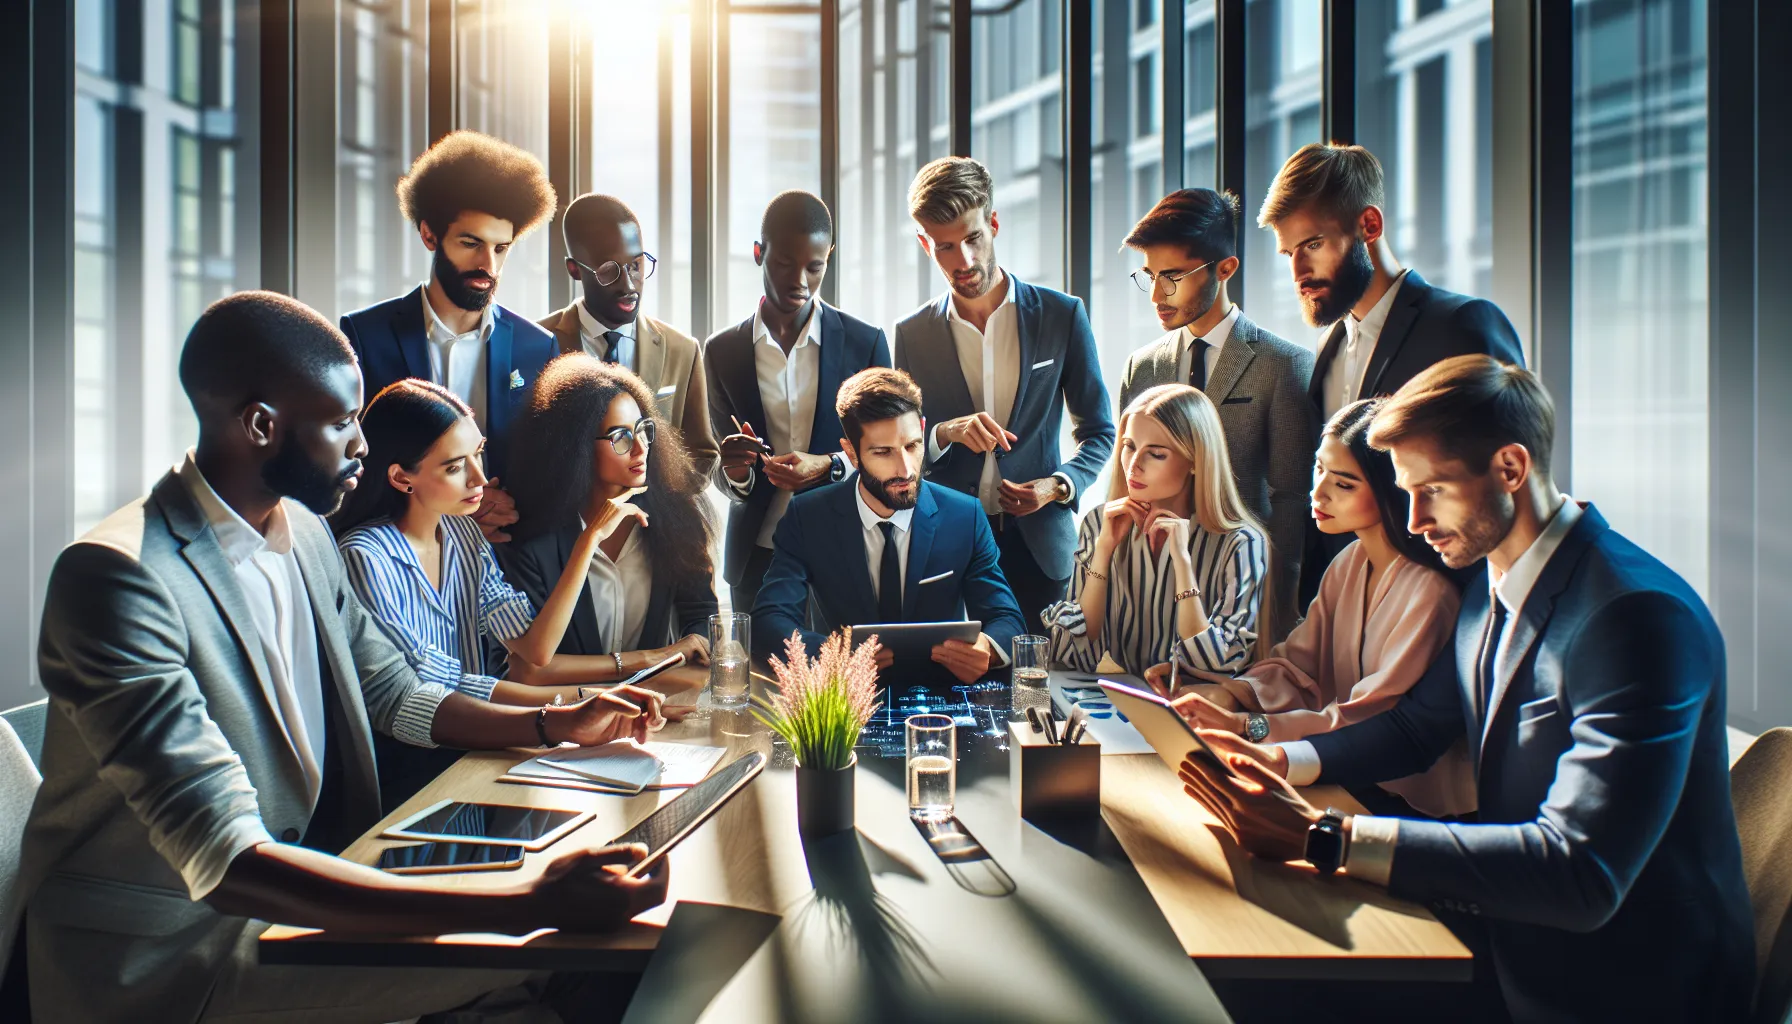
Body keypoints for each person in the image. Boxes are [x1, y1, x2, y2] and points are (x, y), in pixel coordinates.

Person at [12, 292, 672, 1023]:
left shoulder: (304, 532)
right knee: (572, 956)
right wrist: (524, 905)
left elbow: (395, 693)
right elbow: (222, 852)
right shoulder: (117, 577)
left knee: (605, 952)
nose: (363, 444)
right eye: (339, 423)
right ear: (261, 426)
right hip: (174, 955)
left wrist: (555, 724)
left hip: (302, 886)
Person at [1174, 356, 1752, 1021]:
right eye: (1405, 491)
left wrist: (1325, 836)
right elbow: (1416, 729)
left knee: (1262, 989)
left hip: (1620, 983)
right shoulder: (1491, 581)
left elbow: (1581, 871)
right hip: (1513, 923)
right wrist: (1278, 760)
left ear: (1510, 468)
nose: (1414, 520)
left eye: (1434, 490)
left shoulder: (1635, 619)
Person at [331, 379, 652, 805]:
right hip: (411, 775)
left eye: (478, 452)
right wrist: (577, 705)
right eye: (454, 467)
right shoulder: (365, 557)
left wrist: (588, 540)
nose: (480, 478)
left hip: (481, 756)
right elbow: (439, 685)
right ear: (401, 477)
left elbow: (536, 649)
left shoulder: (463, 534)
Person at [1159, 399, 1474, 820]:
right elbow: (1297, 666)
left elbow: (1369, 718)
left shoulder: (1429, 593)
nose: (1319, 491)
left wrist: (1248, 725)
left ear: (1392, 489)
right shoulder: (1349, 562)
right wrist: (1229, 694)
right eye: (1319, 468)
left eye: (1344, 484)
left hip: (1404, 801)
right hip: (1337, 777)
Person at [1258, 142, 1525, 607]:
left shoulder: (1462, 324)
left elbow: (1508, 489)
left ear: (1369, 225)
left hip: (1445, 608)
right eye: (1288, 253)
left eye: (1313, 244)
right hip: (1347, 607)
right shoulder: (1328, 345)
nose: (1298, 271)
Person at [894, 156, 1115, 635]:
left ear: (993, 224)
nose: (963, 260)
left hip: (1040, 546)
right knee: (947, 676)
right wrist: (944, 434)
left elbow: (1100, 432)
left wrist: (1057, 485)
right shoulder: (911, 333)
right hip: (946, 545)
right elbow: (900, 445)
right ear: (924, 244)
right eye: (944, 246)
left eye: (973, 238)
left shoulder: (1061, 315)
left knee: (1039, 673)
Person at [338, 130, 560, 544]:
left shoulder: (537, 347)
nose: (487, 264)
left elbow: (545, 469)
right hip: (396, 549)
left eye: (501, 248)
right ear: (429, 235)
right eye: (470, 243)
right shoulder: (365, 335)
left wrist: (499, 511)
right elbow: (351, 458)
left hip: (503, 553)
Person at [1117, 189, 1318, 639]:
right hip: (1151, 604)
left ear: (1225, 269)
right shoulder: (1141, 367)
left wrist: (1276, 611)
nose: (1156, 295)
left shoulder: (1284, 365)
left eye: (1172, 276)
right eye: (1149, 276)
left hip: (1245, 603)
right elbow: (1128, 481)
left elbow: (1291, 501)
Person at [752, 368, 1025, 685]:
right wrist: (829, 656)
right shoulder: (807, 516)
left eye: (912, 446)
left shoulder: (966, 516)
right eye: (883, 452)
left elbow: (1007, 619)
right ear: (852, 453)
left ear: (922, 430)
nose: (905, 469)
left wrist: (988, 650)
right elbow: (769, 620)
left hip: (943, 695)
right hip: (843, 696)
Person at [707, 190, 892, 615]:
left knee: (844, 662)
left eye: (815, 267)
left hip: (845, 549)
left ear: (829, 258)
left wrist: (830, 465)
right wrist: (736, 472)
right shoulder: (721, 351)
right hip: (755, 558)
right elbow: (719, 465)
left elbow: (891, 451)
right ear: (759, 253)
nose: (800, 281)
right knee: (759, 661)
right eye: (784, 264)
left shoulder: (865, 343)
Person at [496, 354, 717, 693]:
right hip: (563, 711)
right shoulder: (529, 538)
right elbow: (529, 670)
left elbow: (701, 616)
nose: (640, 448)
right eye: (620, 437)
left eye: (643, 431)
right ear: (576, 446)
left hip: (657, 705)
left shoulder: (677, 518)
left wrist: (695, 644)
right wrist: (648, 659)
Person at [1043, 385, 1268, 679]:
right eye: (1129, 446)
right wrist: (1104, 550)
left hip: (1195, 703)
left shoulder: (1242, 544)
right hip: (1119, 699)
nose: (1133, 466)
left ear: (1195, 461)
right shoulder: (1100, 523)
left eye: (1156, 454)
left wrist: (1183, 563)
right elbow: (1070, 655)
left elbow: (1217, 664)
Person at [539, 193, 720, 478]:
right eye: (608, 271)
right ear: (575, 270)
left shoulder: (683, 350)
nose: (628, 285)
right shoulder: (537, 342)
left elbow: (703, 456)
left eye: (636, 266)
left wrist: (658, 498)